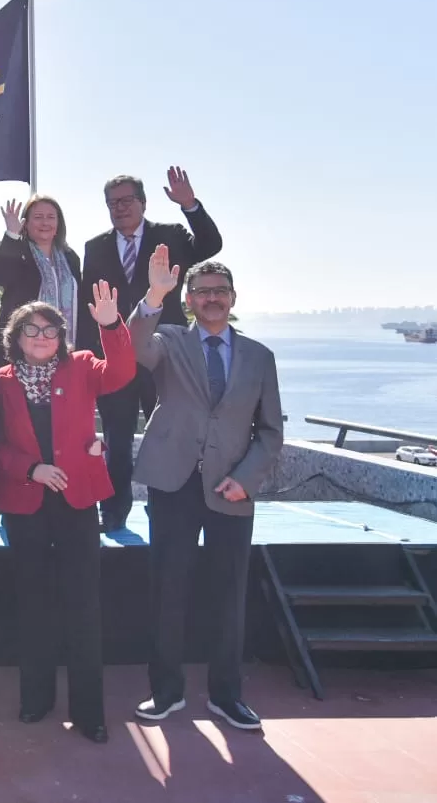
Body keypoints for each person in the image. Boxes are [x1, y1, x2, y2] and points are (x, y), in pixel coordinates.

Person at [130, 248, 283, 733]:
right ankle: (167, 691)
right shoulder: (169, 340)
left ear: (233, 298)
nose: (212, 299)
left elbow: (271, 431)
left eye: (220, 292)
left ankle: (226, 695)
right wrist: (155, 294)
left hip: (231, 488)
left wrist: (247, 478)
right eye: (203, 293)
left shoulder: (260, 356)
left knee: (228, 594)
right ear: (189, 301)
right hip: (174, 482)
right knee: (167, 589)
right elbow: (132, 345)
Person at [0, 282, 134, 744]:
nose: (40, 336)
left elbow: (123, 371)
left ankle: (89, 712)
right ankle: (36, 699)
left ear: (62, 336)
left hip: (76, 501)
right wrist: (31, 469)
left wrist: (112, 323)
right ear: (16, 336)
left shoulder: (83, 368)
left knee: (82, 605)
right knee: (33, 603)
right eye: (31, 329)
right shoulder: (0, 382)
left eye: (50, 330)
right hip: (25, 502)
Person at [79, 168, 222, 532]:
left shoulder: (169, 235)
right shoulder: (95, 246)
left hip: (163, 354)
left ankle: (166, 508)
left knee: (168, 434)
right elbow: (87, 306)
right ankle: (113, 512)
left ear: (142, 203)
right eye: (113, 203)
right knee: (116, 436)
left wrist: (189, 204)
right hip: (115, 359)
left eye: (127, 201)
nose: (120, 208)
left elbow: (210, 246)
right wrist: (86, 358)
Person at [0, 194, 81, 365]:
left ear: (58, 224)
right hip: (21, 352)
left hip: (65, 351)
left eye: (51, 217)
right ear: (26, 223)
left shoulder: (71, 258)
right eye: (38, 217)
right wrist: (11, 234)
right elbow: (1, 276)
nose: (45, 223)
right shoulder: (18, 249)